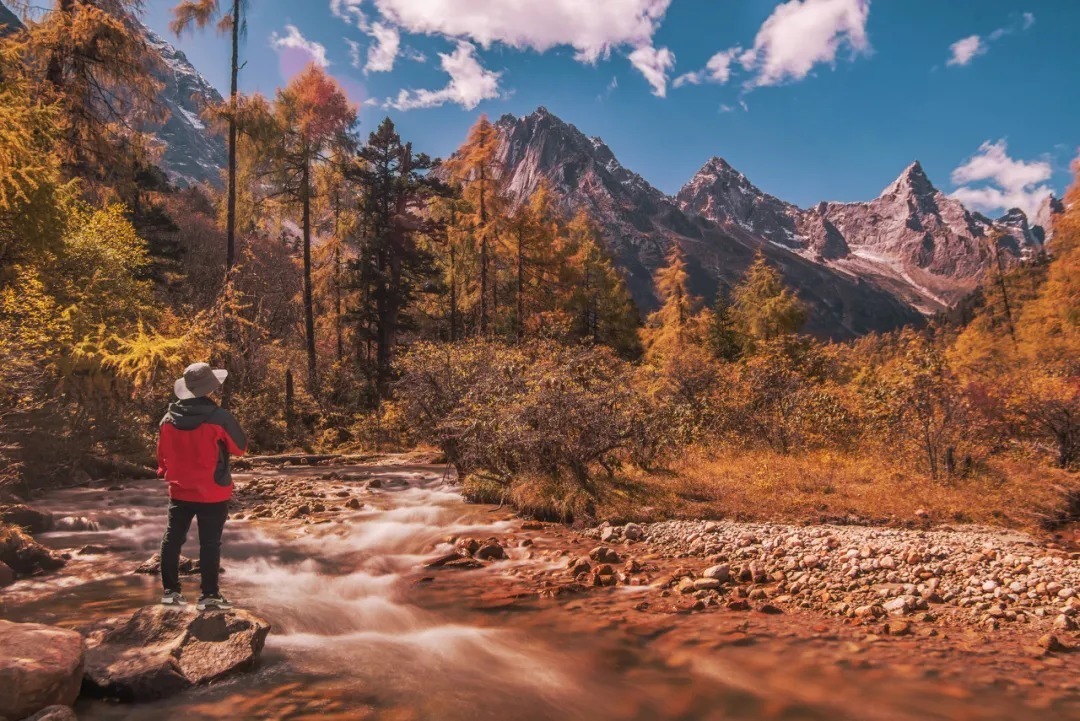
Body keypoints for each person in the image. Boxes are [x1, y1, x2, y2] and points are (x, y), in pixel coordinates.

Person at [157, 362, 247, 610]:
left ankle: (170, 592)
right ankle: (209, 596)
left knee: (172, 539)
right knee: (209, 543)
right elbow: (240, 448)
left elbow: (162, 457)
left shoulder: (167, 419)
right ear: (210, 388)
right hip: (213, 491)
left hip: (180, 490)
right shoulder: (220, 417)